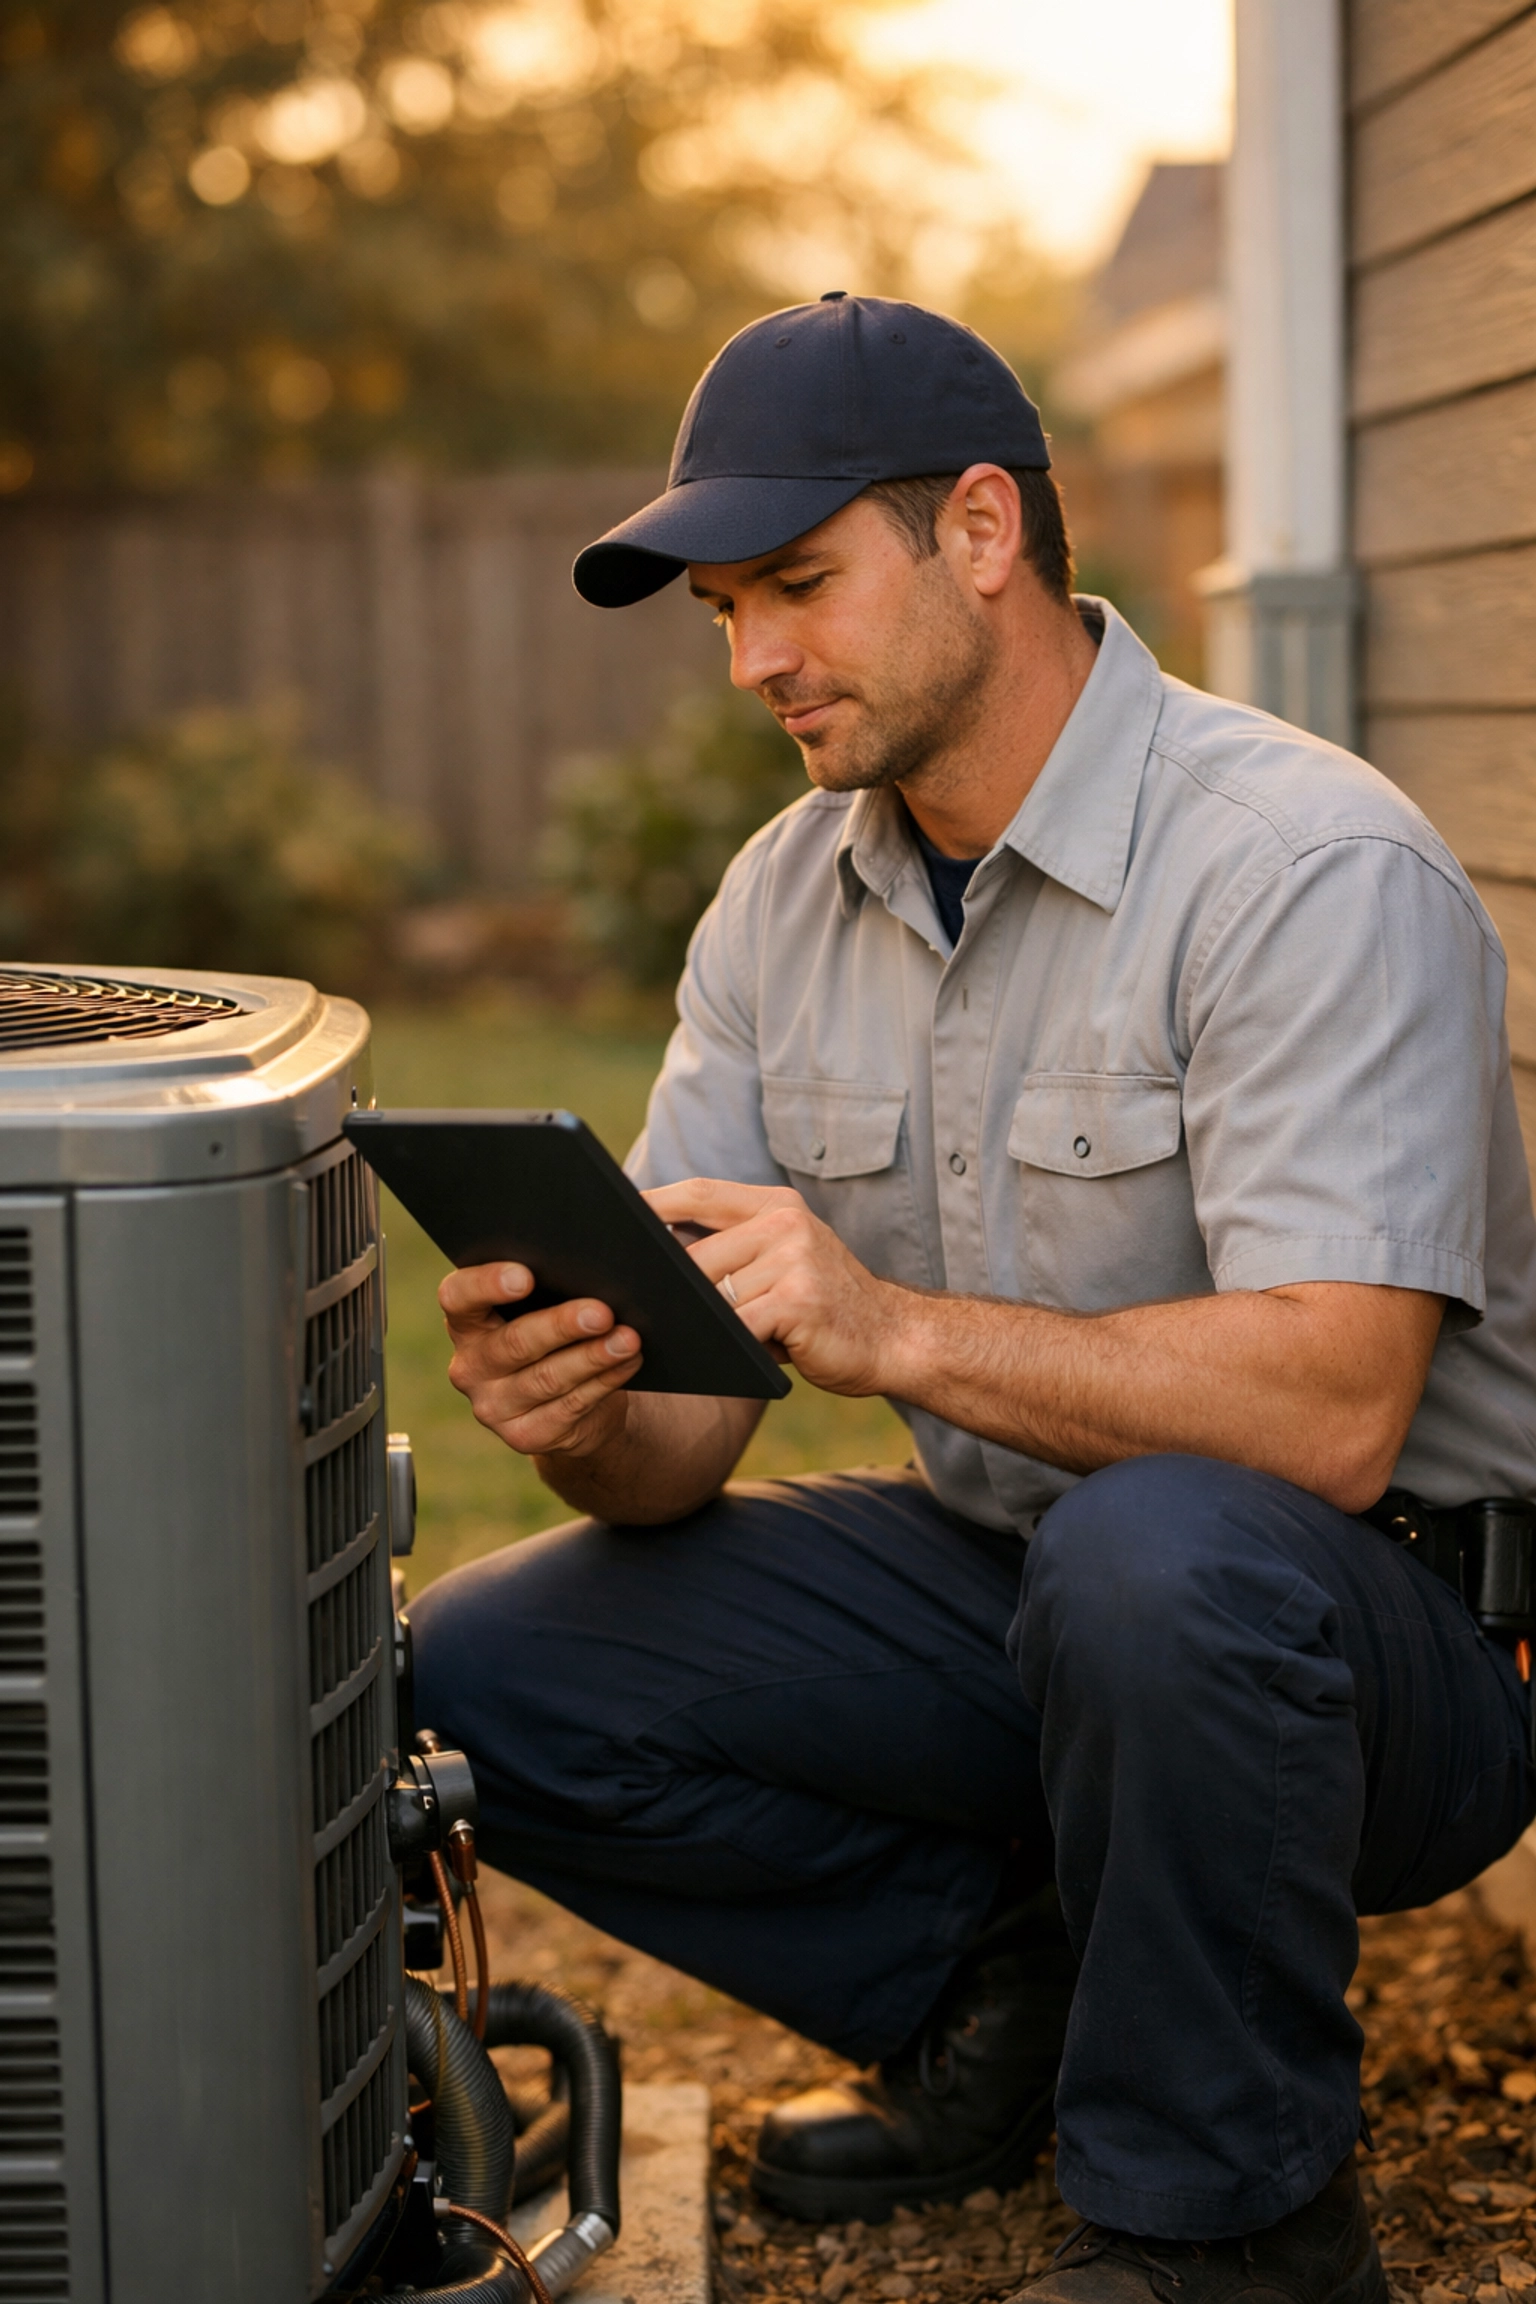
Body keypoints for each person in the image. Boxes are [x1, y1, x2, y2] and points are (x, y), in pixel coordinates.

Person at [409, 294, 1536, 2304]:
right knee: (481, 1677)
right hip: (1026, 1598)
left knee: (1155, 1554)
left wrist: (895, 1328)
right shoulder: (783, 900)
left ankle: (1237, 2234)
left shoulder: (1303, 867)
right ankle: (1006, 2001)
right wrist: (585, 1403)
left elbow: (1338, 1410)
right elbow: (676, 1455)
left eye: (797, 587)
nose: (754, 660)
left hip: (1389, 1648)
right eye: (724, 614)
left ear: (986, 534)